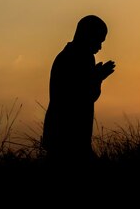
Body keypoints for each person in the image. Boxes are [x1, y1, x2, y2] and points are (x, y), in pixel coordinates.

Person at [42, 15, 115, 166]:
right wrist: (98, 78)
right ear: (88, 35)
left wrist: (95, 77)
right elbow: (81, 97)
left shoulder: (69, 56)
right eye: (99, 40)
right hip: (68, 135)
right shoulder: (80, 58)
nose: (100, 47)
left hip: (62, 133)